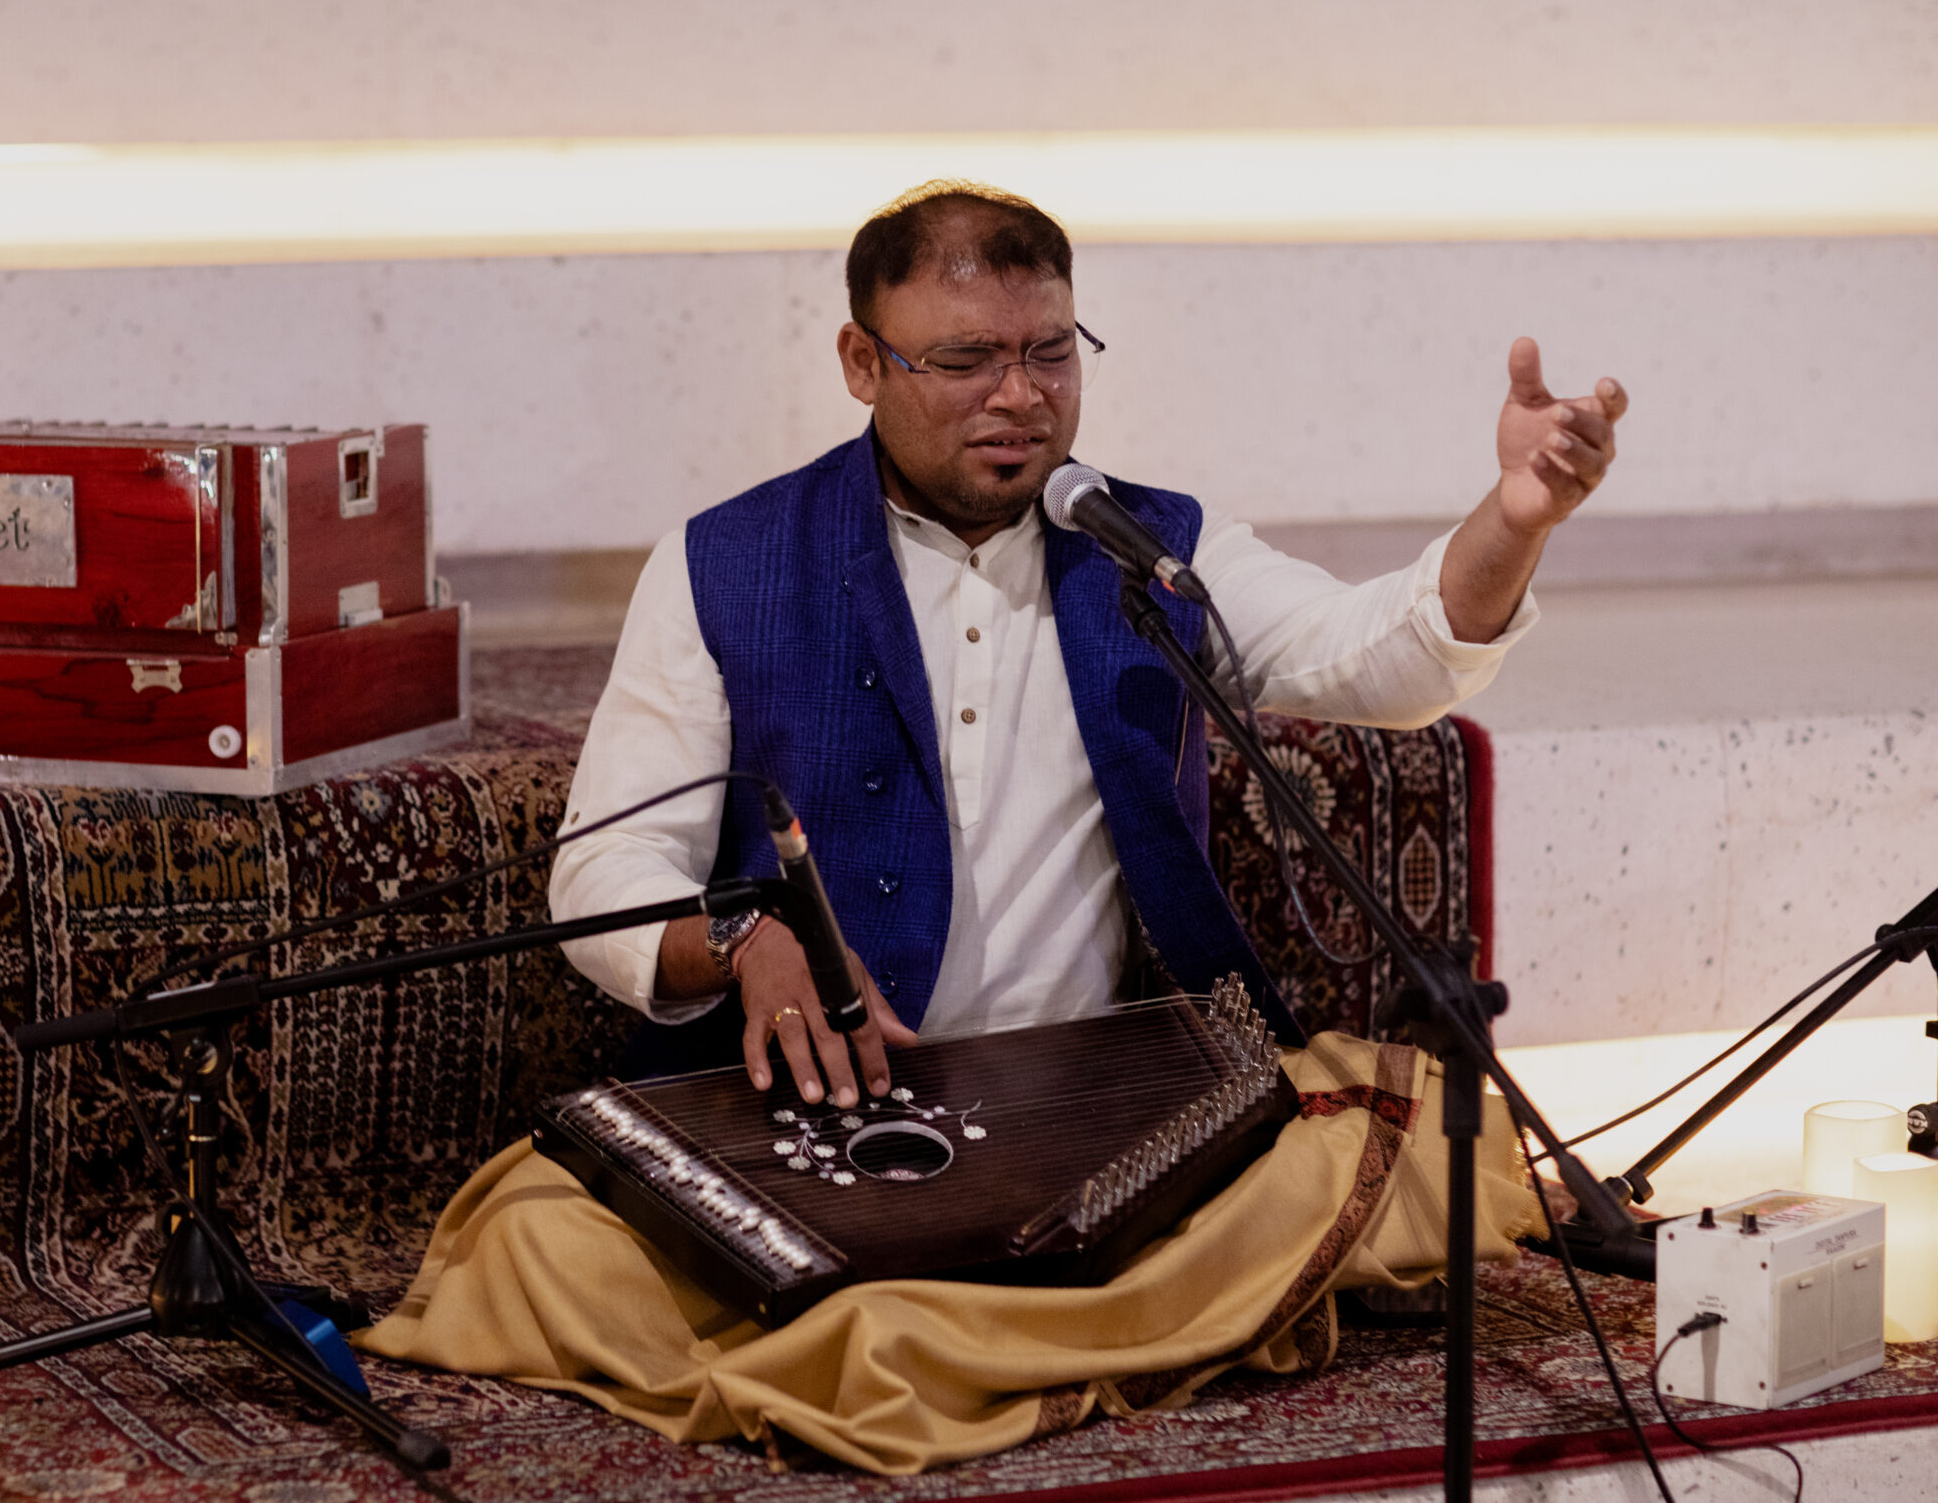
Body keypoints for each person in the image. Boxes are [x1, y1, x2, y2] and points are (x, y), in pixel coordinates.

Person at [549, 181, 1626, 1111]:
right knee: (538, 1241)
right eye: (966, 359)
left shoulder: (1149, 550)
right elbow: (602, 873)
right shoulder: (725, 563)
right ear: (862, 363)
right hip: (812, 1108)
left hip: (1089, 1109)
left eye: (1051, 353)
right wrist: (744, 941)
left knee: (1428, 1151)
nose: (1020, 396)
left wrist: (1514, 518)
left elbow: (1387, 661)